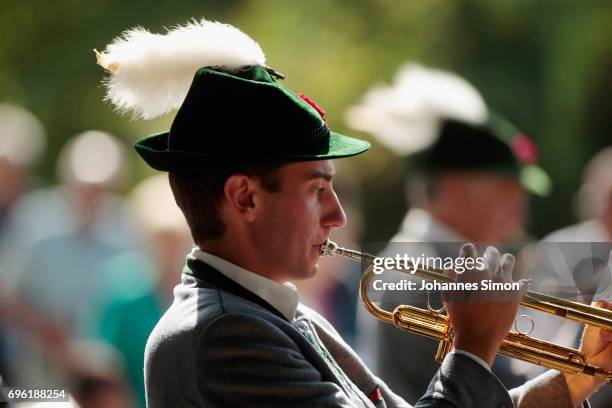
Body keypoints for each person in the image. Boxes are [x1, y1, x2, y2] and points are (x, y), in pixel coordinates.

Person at [96, 20, 611, 407]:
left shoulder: (284, 317)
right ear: (245, 198)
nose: (338, 215)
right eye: (318, 190)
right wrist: (473, 348)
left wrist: (575, 377)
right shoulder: (220, 333)